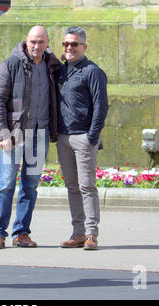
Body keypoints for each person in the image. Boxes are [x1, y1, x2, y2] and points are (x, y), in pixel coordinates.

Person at [0, 25, 61, 249]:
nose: (36, 46)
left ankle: (21, 232)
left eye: (41, 42)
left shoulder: (53, 66)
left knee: (30, 185)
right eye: (33, 42)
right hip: (15, 135)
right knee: (6, 184)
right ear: (26, 42)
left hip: (40, 132)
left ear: (48, 42)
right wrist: (3, 134)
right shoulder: (10, 65)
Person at [57, 27, 109, 250]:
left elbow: (101, 106)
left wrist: (92, 137)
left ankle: (91, 234)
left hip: (83, 137)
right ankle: (78, 233)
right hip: (63, 137)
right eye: (66, 44)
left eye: (74, 44)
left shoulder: (93, 72)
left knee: (87, 187)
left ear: (84, 47)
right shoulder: (60, 71)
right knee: (72, 187)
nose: (70, 47)